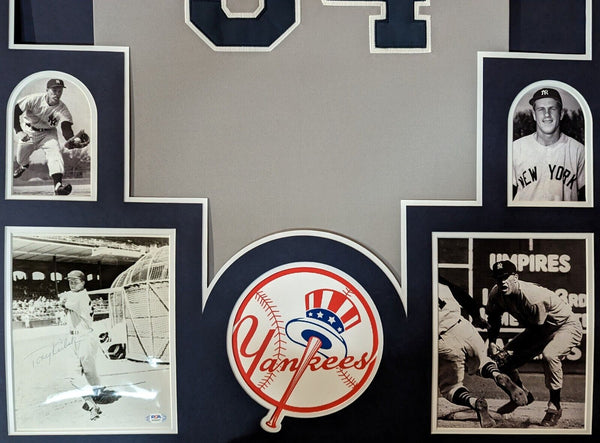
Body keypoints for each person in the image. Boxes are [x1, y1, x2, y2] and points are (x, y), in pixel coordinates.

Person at [485, 260, 583, 427]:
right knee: (500, 362)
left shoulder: (532, 297)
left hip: (566, 325)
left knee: (550, 355)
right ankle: (522, 394)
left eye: (505, 277)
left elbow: (539, 332)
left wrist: (513, 352)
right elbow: (494, 318)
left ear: (515, 277)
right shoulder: (496, 293)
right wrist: (493, 342)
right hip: (540, 328)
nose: (502, 282)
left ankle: (555, 407)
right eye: (498, 278)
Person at [438, 277, 527, 428]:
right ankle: (496, 375)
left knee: (450, 388)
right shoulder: (439, 282)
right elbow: (465, 298)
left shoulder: (410, 295)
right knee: (483, 362)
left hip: (443, 339)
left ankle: (475, 403)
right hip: (463, 327)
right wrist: (477, 318)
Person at [59, 270, 118, 420]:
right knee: (73, 376)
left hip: (85, 337)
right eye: (70, 281)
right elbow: (64, 304)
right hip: (74, 338)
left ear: (83, 282)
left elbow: (63, 302)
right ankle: (92, 403)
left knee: (89, 373)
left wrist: (63, 299)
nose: (72, 283)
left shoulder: (81, 297)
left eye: (75, 281)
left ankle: (96, 394)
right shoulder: (76, 295)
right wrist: (63, 300)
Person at [512, 87, 585, 202]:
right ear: (534, 115)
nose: (547, 114)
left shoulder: (579, 151)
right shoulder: (515, 149)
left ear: (561, 114)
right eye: (541, 109)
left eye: (552, 109)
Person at [13, 78, 79, 195]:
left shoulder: (63, 109)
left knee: (55, 154)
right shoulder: (34, 99)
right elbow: (14, 111)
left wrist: (71, 140)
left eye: (60, 91)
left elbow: (66, 127)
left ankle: (58, 186)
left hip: (48, 134)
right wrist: (19, 131)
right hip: (28, 131)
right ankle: (24, 166)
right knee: (20, 158)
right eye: (54, 90)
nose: (57, 93)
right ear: (47, 90)